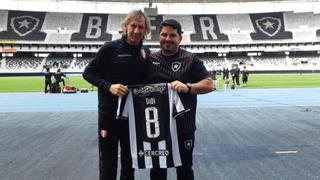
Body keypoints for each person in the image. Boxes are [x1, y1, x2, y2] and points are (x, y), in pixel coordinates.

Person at [82, 9, 151, 180]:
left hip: (133, 117)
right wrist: (109, 86)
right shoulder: (110, 48)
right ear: (125, 26)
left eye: (141, 27)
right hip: (109, 115)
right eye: (133, 26)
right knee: (108, 161)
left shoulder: (146, 52)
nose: (136, 31)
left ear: (146, 30)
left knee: (129, 162)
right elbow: (88, 73)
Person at [148, 19, 215, 180]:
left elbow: (209, 84)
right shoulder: (149, 60)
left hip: (184, 126)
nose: (168, 38)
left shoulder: (191, 59)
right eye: (164, 34)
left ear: (180, 38)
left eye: (172, 35)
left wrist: (188, 87)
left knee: (185, 169)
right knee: (157, 170)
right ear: (159, 36)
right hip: (157, 128)